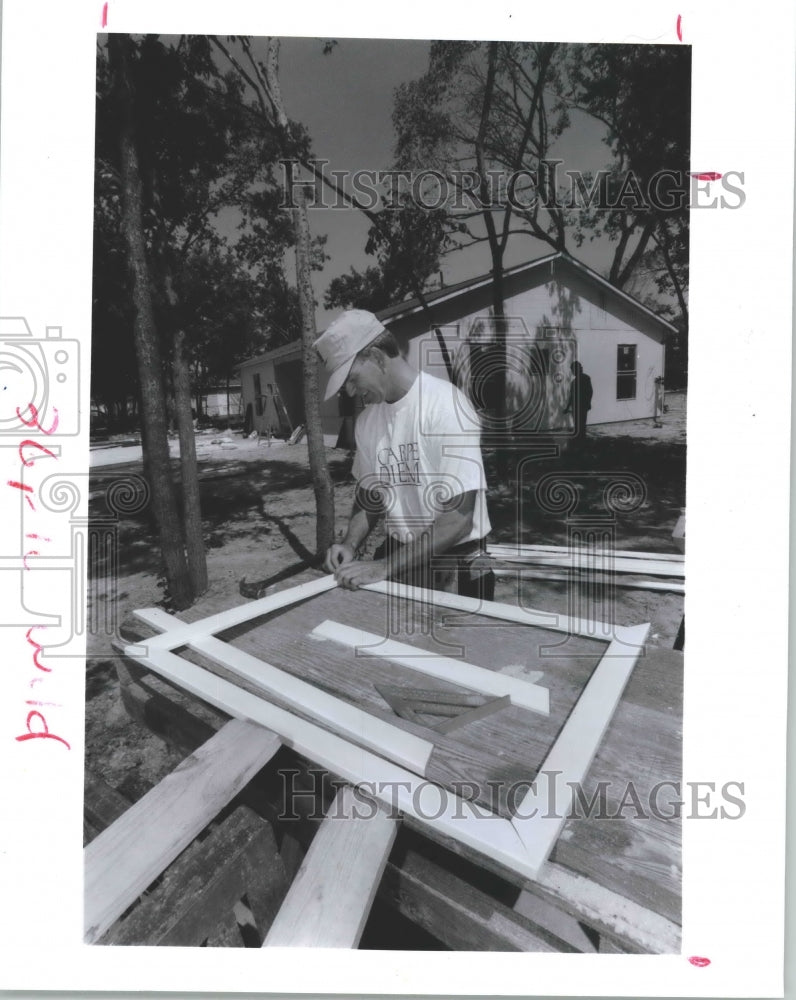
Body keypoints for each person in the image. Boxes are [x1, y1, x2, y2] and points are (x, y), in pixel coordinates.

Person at [314, 309, 494, 599]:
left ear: (375, 357)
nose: (349, 392)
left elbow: (459, 519)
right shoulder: (368, 421)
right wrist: (349, 544)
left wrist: (384, 566)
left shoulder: (447, 406)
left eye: (351, 377)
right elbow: (370, 495)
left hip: (454, 565)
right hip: (403, 560)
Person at [564, 361, 593, 440]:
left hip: (582, 406)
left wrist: (588, 403)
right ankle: (579, 440)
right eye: (579, 368)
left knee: (581, 425)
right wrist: (567, 408)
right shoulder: (573, 382)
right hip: (575, 407)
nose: (581, 369)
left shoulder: (586, 378)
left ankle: (581, 440)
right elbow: (572, 396)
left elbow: (589, 392)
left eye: (580, 368)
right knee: (578, 425)